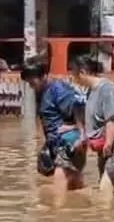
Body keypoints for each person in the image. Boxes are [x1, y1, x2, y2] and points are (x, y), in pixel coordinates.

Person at [68, 54, 114, 196]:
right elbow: (92, 122)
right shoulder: (90, 92)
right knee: (106, 186)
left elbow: (113, 118)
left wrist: (109, 143)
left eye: (74, 74)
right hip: (104, 147)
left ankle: (105, 216)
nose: (73, 79)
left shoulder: (106, 89)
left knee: (105, 186)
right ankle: (112, 215)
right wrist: (83, 138)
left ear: (82, 73)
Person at [21, 56, 87, 195]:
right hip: (57, 142)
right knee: (73, 185)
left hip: (69, 141)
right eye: (28, 81)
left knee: (60, 180)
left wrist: (77, 129)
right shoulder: (41, 92)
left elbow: (80, 108)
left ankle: (55, 214)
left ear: (44, 76)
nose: (30, 85)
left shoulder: (58, 90)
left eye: (32, 81)